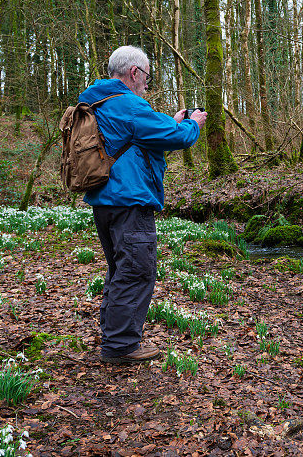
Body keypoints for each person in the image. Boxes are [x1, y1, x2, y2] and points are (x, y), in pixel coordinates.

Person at [79, 45, 207, 364]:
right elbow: (177, 138)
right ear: (134, 72)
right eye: (146, 77)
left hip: (104, 202)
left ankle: (114, 341)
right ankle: (120, 348)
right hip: (130, 202)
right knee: (136, 272)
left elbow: (143, 132)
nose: (147, 85)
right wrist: (193, 124)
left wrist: (171, 120)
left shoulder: (96, 101)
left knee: (120, 271)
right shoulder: (130, 104)